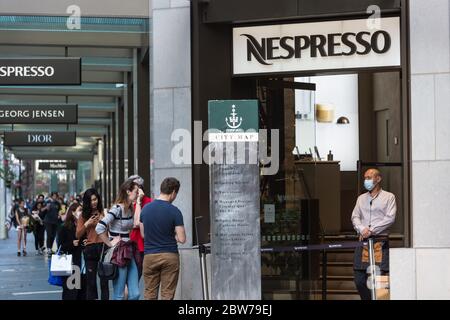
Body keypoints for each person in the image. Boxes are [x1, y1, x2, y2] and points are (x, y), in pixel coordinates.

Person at [351, 168, 396, 300]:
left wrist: (372, 230)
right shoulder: (361, 198)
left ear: (378, 179)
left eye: (370, 177)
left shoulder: (389, 197)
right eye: (365, 178)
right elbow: (355, 216)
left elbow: (390, 218)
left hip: (379, 243)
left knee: (380, 281)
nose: (367, 180)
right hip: (363, 242)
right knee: (359, 280)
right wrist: (361, 229)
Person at [139, 177, 186, 300]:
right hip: (170, 256)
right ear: (174, 192)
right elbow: (182, 238)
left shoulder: (145, 209)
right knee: (167, 294)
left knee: (149, 294)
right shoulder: (175, 211)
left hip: (150, 256)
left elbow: (143, 234)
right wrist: (171, 235)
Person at [96, 180, 141, 300]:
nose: (138, 194)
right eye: (136, 191)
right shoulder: (117, 209)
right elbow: (100, 227)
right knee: (119, 294)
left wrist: (139, 202)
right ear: (128, 191)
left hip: (129, 251)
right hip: (119, 253)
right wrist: (110, 243)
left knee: (135, 294)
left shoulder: (131, 208)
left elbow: (136, 222)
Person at [76, 188, 109, 300]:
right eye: (90, 200)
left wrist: (103, 219)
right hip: (90, 249)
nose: (93, 202)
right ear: (87, 202)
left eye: (95, 199)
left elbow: (109, 231)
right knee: (91, 283)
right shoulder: (83, 216)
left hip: (103, 248)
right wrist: (87, 224)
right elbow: (78, 234)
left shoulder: (103, 212)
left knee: (104, 282)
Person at [57, 203, 86, 300]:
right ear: (73, 212)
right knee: (71, 293)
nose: (81, 212)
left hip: (83, 264)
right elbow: (60, 246)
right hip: (71, 264)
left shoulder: (84, 226)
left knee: (82, 293)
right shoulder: (64, 227)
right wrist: (71, 244)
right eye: (79, 210)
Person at [128, 175, 153, 277]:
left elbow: (137, 223)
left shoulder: (149, 202)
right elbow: (133, 224)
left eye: (137, 187)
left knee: (138, 275)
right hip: (130, 244)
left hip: (144, 245)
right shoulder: (128, 203)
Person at [44, 192, 61, 257]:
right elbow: (45, 209)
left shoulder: (57, 203)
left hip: (55, 221)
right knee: (49, 234)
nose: (55, 197)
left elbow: (59, 210)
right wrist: (47, 207)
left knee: (53, 235)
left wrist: (59, 215)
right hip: (48, 221)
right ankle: (48, 248)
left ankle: (50, 248)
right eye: (54, 196)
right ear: (51, 196)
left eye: (56, 196)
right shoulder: (48, 202)